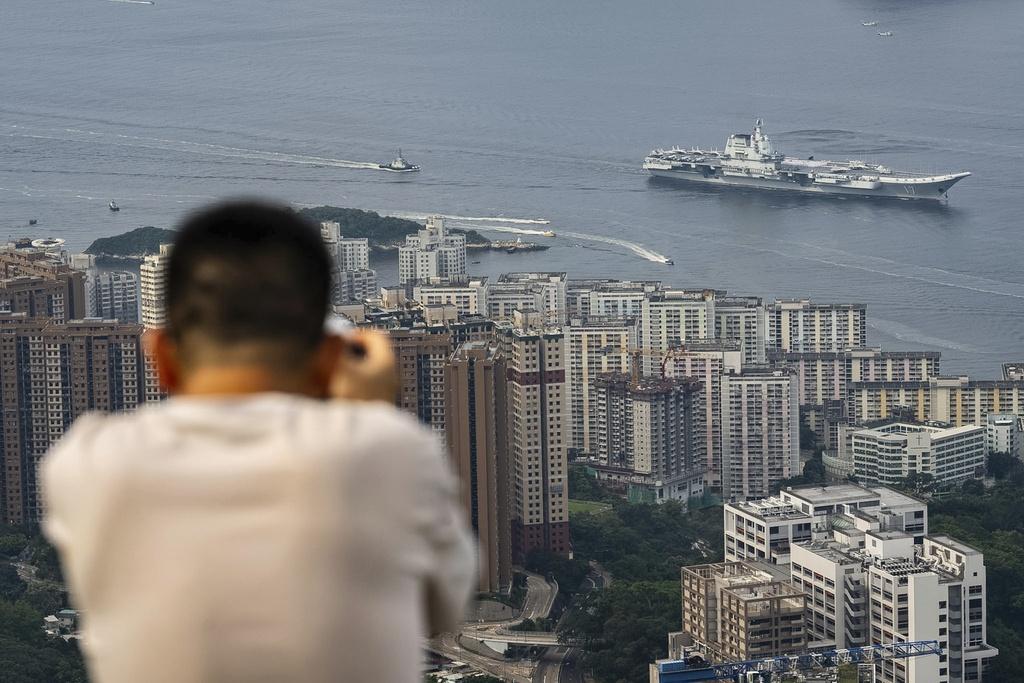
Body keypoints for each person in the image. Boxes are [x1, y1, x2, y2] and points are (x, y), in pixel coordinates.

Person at [41, 201, 476, 683]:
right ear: (329, 358)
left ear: (160, 355)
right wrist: (367, 414)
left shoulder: (86, 463)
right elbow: (441, 607)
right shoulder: (392, 453)